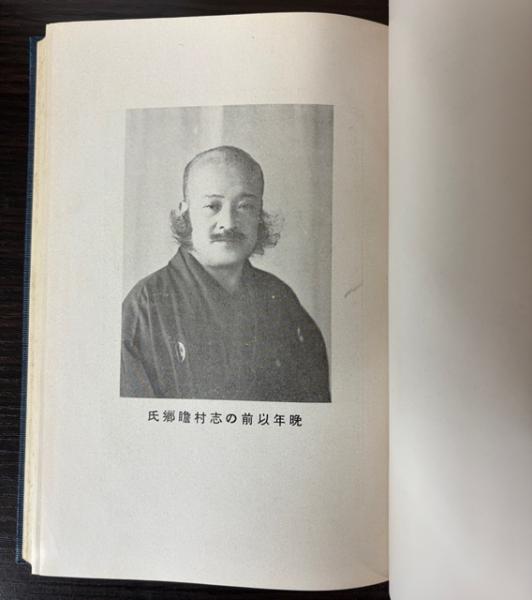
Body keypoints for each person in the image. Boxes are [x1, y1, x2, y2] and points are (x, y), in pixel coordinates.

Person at [120, 145, 330, 402]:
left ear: (259, 214)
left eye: (245, 206)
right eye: (212, 206)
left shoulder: (282, 301)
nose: (228, 223)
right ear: (186, 212)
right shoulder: (144, 307)